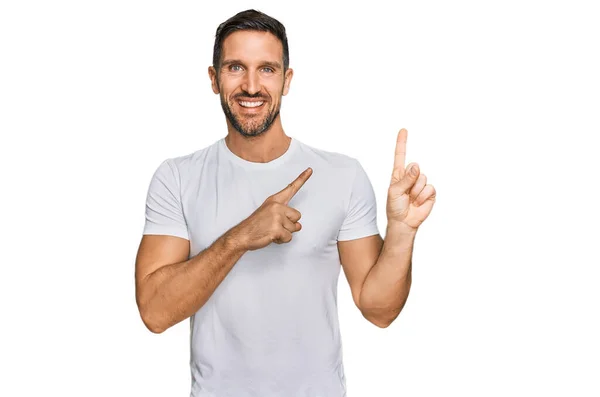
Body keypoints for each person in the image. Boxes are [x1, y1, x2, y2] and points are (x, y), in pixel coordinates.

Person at [135, 9, 436, 397]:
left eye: (267, 69)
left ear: (286, 80)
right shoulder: (177, 178)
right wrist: (240, 237)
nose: (251, 85)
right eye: (235, 68)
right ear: (213, 79)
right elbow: (155, 313)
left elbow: (379, 310)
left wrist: (402, 232)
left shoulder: (342, 175)